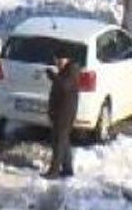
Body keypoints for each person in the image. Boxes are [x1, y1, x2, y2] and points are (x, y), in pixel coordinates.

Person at [44, 51, 80, 179]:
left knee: (59, 141)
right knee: (63, 140)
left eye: (60, 61)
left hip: (66, 112)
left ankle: (54, 172)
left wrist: (53, 76)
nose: (58, 64)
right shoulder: (66, 70)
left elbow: (64, 86)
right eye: (56, 62)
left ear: (66, 59)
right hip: (60, 111)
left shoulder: (72, 70)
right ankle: (67, 169)